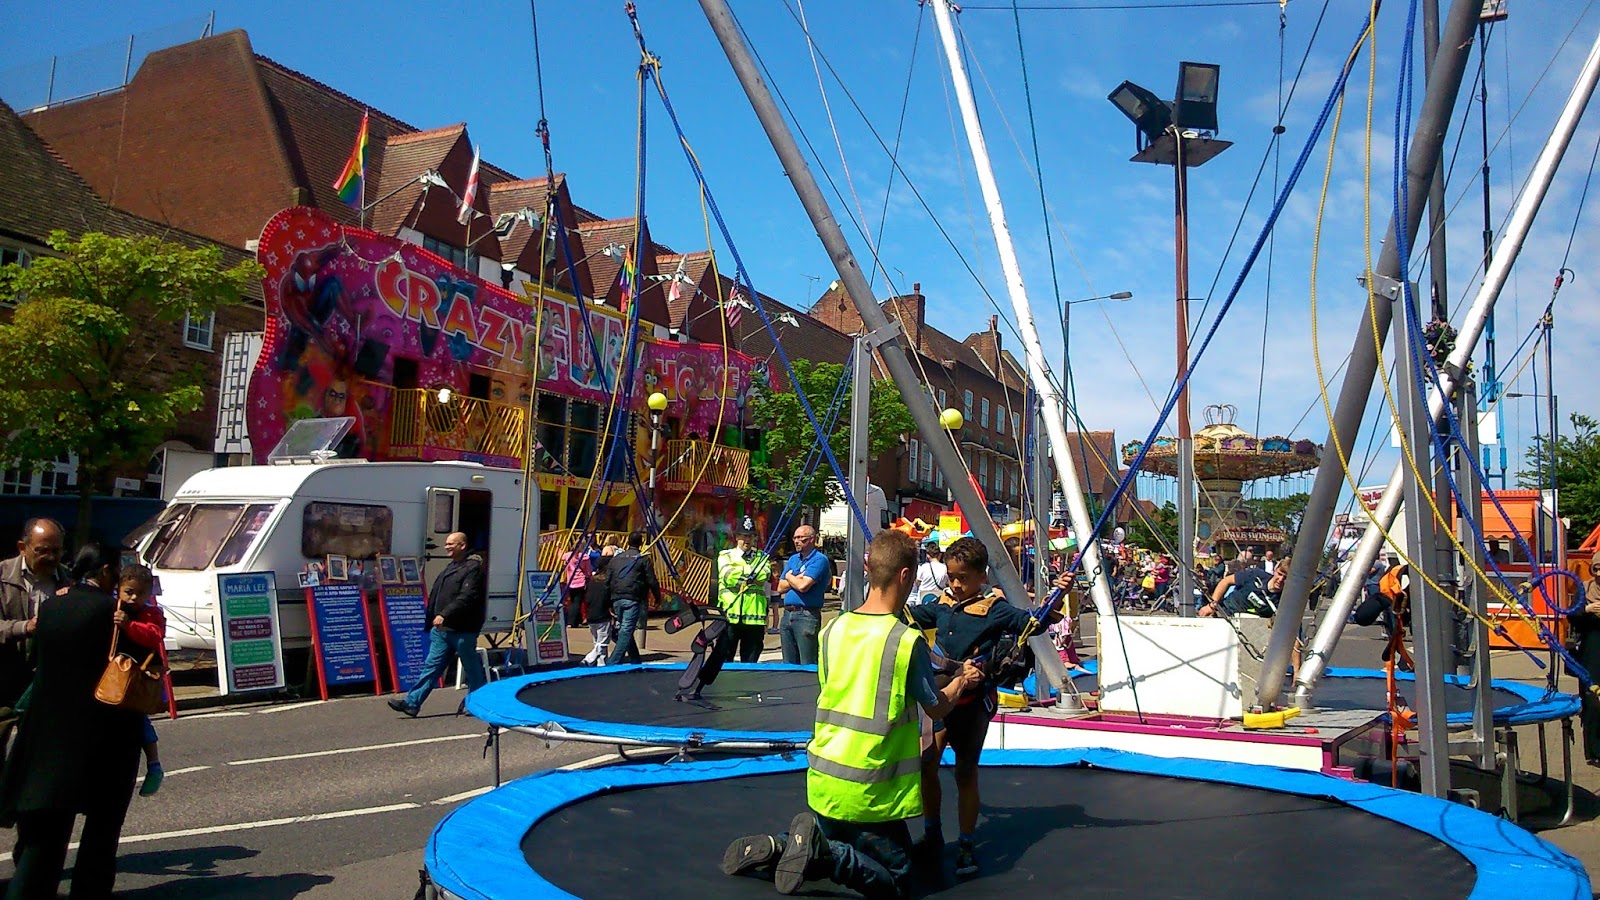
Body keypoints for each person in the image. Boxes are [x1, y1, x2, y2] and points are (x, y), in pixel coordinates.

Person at [720, 530, 981, 898]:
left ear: (867, 568)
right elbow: (935, 706)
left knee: (832, 829)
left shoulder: (833, 630)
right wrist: (962, 682)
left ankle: (780, 845)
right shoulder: (905, 641)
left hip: (825, 780)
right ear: (906, 576)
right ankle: (829, 857)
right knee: (899, 882)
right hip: (872, 792)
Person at [904, 537, 1060, 879]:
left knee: (965, 772)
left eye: (963, 577)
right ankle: (932, 835)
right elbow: (906, 613)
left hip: (972, 704)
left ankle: (965, 842)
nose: (956, 584)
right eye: (951, 576)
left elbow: (1032, 623)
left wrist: (1057, 596)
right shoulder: (942, 604)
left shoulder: (994, 609)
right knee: (926, 763)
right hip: (942, 697)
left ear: (982, 576)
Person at [0, 542, 144, 899]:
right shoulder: (112, 615)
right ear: (108, 571)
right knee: (100, 836)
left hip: (46, 738)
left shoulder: (50, 609)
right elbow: (136, 666)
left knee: (42, 845)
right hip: (103, 741)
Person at [388, 532, 485, 717]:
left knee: (471, 668)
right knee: (431, 667)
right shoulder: (451, 567)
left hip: (462, 629)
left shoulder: (472, 568)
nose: (446, 547)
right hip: (441, 631)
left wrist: (444, 614)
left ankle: (478, 703)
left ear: (462, 546)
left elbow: (467, 597)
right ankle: (411, 703)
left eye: (451, 544)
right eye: (447, 544)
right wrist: (432, 618)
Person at [112, 565, 168, 797]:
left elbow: (154, 635)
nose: (134, 598)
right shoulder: (113, 606)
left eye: (140, 593)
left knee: (140, 720)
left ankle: (154, 764)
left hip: (140, 677)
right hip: (116, 673)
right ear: (119, 589)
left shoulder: (151, 613)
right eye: (128, 592)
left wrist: (129, 626)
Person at [0, 518, 66, 710]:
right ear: (22, 547)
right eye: (42, 550)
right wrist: (25, 627)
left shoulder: (67, 582)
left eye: (56, 551)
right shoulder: (3, 576)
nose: (51, 557)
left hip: (45, 685)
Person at [605, 531, 662, 666]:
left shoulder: (615, 559)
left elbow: (607, 581)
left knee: (626, 629)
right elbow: (652, 580)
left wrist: (608, 601)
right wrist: (657, 598)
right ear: (641, 543)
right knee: (626, 630)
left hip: (617, 597)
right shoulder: (642, 560)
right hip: (632, 597)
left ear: (627, 542)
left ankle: (636, 660)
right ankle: (612, 662)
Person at [777, 525, 831, 664]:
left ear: (812, 539)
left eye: (801, 538)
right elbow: (780, 587)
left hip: (806, 616)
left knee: (807, 663)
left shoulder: (819, 560)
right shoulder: (793, 559)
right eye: (795, 538)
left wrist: (789, 576)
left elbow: (803, 586)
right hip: (787, 614)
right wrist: (796, 578)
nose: (796, 541)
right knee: (788, 664)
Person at [715, 527, 770, 664]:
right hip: (730, 616)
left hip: (754, 619)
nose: (747, 540)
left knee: (751, 662)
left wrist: (740, 571)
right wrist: (752, 573)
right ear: (736, 537)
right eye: (744, 536)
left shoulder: (762, 556)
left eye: (750, 536)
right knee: (724, 660)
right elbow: (728, 576)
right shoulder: (725, 555)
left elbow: (764, 576)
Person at [1568, 552, 1600, 766]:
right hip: (1591, 649)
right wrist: (1587, 610)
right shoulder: (1584, 589)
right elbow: (1571, 614)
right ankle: (1595, 751)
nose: (1599, 573)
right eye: (1596, 569)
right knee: (1593, 700)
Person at [1200, 557, 1288, 618]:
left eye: (1286, 577)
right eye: (1279, 574)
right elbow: (1226, 581)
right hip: (1225, 612)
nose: (1280, 579)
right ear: (1275, 570)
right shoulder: (1256, 575)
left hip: (1251, 627)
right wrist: (1211, 606)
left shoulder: (1283, 600)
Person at [582, 537, 620, 666]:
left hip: (591, 614)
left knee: (597, 641)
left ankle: (601, 662)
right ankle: (589, 658)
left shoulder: (592, 580)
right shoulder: (607, 582)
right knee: (602, 642)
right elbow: (608, 599)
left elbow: (588, 597)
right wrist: (612, 611)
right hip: (602, 616)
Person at [558, 540, 592, 631]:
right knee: (577, 602)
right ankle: (572, 622)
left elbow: (561, 556)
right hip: (581, 581)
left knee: (573, 601)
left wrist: (559, 547)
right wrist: (589, 576)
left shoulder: (568, 555)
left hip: (571, 581)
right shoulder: (585, 557)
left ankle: (574, 621)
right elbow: (588, 571)